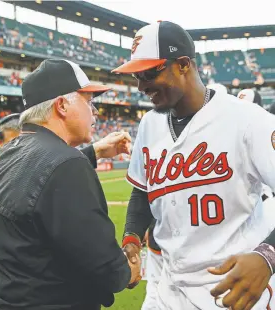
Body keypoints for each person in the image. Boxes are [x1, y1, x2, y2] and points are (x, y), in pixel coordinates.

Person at [113, 21, 275, 310]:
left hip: (233, 285)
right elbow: (141, 192)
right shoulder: (150, 124)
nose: (140, 86)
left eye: (150, 72)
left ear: (184, 65)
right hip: (167, 284)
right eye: (137, 75)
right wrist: (132, 238)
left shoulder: (248, 120)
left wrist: (268, 256)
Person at [0, 59, 141, 310]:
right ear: (62, 105)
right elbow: (107, 269)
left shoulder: (7, 152)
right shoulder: (67, 164)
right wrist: (130, 269)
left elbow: (37, 179)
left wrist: (94, 151)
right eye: (89, 102)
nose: (96, 111)